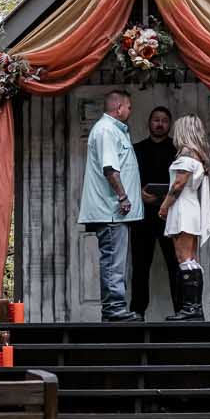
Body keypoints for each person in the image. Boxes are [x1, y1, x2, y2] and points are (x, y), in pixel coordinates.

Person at [77, 88, 142, 322]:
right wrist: (123, 197)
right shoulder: (106, 131)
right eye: (129, 107)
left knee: (115, 259)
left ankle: (114, 308)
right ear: (119, 108)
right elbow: (110, 169)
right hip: (111, 211)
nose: (130, 111)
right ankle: (114, 309)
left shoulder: (115, 131)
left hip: (115, 213)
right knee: (114, 259)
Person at [129, 105, 188, 318]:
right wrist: (139, 194)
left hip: (169, 216)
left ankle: (181, 311)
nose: (160, 123)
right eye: (156, 119)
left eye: (164, 120)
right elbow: (127, 180)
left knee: (175, 265)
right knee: (140, 266)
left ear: (169, 124)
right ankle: (137, 312)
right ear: (149, 123)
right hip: (141, 216)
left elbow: (183, 183)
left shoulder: (177, 151)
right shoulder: (135, 149)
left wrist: (165, 199)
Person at [158, 115, 210, 320]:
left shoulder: (186, 158)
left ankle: (191, 308)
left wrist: (164, 207)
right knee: (190, 259)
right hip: (191, 208)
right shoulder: (197, 156)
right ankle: (194, 308)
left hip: (182, 210)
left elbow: (178, 185)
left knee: (184, 258)